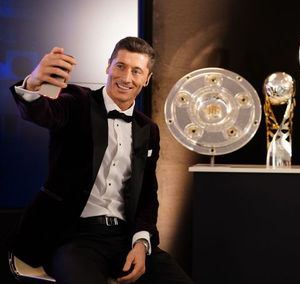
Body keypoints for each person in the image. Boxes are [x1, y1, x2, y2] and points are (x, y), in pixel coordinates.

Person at [8, 36, 193, 284]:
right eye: (120, 66)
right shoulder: (77, 102)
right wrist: (33, 83)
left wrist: (141, 243)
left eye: (136, 71)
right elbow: (42, 112)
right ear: (108, 66)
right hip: (73, 237)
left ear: (146, 80)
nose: (126, 77)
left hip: (124, 239)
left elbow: (148, 193)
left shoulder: (148, 129)